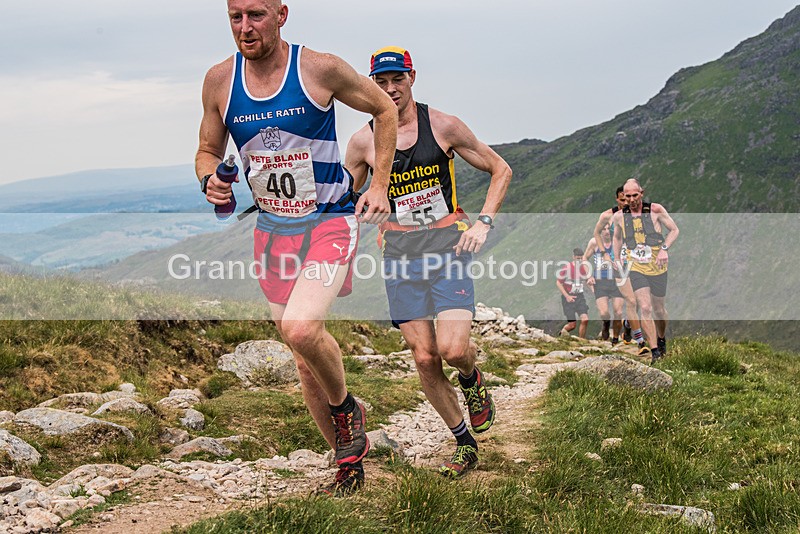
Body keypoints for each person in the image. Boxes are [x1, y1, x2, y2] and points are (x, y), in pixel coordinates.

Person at [196, 0, 399, 495]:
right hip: (272, 231)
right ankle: (347, 466)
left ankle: (347, 409)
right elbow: (208, 149)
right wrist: (209, 181)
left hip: (329, 221)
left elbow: (385, 109)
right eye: (235, 17)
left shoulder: (318, 68)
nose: (246, 28)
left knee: (302, 328)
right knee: (303, 359)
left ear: (282, 14)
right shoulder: (220, 81)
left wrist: (379, 184)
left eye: (257, 15)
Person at [345, 46, 512, 478]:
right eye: (379, 83)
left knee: (453, 349)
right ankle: (464, 444)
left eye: (396, 79)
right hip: (400, 257)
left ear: (411, 77)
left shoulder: (442, 126)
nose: (389, 89)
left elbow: (501, 169)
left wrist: (484, 224)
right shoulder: (363, 141)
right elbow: (343, 196)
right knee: (424, 358)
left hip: (447, 250)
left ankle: (472, 378)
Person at [611, 179, 679, 363]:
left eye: (635, 195)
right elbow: (617, 238)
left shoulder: (656, 210)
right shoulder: (619, 217)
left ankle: (661, 337)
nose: (632, 200)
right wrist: (616, 259)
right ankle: (654, 351)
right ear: (623, 196)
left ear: (642, 193)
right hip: (636, 266)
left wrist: (664, 249)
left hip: (657, 266)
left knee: (659, 309)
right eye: (628, 196)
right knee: (646, 307)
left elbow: (674, 230)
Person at [590, 186, 642, 345]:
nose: (627, 202)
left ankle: (628, 324)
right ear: (617, 199)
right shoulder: (608, 215)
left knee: (638, 300)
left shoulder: (636, 213)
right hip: (616, 264)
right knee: (623, 305)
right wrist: (606, 253)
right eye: (623, 200)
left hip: (634, 260)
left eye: (628, 199)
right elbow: (596, 233)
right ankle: (621, 337)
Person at [583, 224, 624, 342]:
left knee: (618, 312)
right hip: (600, 280)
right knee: (604, 312)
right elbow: (585, 258)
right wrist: (589, 275)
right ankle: (606, 324)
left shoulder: (617, 241)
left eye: (608, 229)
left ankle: (615, 338)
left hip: (616, 280)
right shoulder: (594, 242)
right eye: (603, 229)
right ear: (599, 232)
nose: (606, 232)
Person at [556, 248, 591, 339]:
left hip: (579, 297)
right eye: (577, 258)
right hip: (568, 297)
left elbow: (587, 280)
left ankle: (581, 341)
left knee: (585, 320)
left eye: (581, 258)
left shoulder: (584, 268)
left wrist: (593, 289)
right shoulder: (567, 268)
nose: (579, 261)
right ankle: (561, 335)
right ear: (574, 257)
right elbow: (559, 282)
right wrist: (567, 296)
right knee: (572, 325)